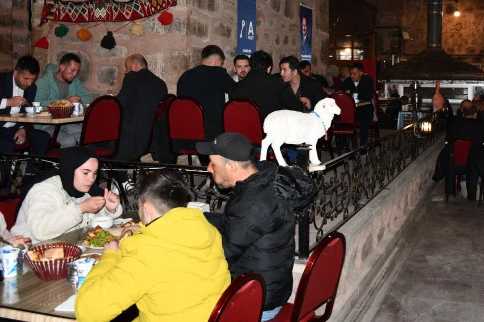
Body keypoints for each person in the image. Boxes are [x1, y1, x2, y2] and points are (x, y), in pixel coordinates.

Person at [75, 170, 230, 322]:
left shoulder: (145, 253)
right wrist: (146, 230)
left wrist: (110, 256)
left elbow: (87, 312)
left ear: (147, 209)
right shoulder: (208, 230)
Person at [197, 133, 317, 321]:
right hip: (271, 289)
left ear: (231, 167)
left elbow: (221, 254)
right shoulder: (263, 181)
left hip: (257, 303)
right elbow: (237, 225)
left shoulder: (252, 204)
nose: (208, 168)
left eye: (213, 163)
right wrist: (198, 217)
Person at [11, 147, 122, 242]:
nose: (92, 179)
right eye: (85, 173)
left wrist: (109, 210)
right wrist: (80, 209)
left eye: (95, 173)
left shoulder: (85, 189)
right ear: (70, 169)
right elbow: (40, 230)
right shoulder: (44, 190)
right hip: (30, 249)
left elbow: (93, 225)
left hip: (67, 246)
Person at [114, 54, 168, 161]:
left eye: (127, 67)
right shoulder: (161, 84)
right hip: (153, 139)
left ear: (136, 66)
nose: (125, 72)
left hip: (131, 139)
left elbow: (118, 105)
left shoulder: (132, 77)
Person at [34, 53, 94, 148]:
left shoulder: (74, 81)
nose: (75, 74)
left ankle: (82, 157)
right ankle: (59, 157)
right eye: (72, 70)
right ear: (62, 67)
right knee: (69, 141)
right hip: (46, 124)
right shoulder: (44, 82)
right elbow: (38, 106)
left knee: (87, 137)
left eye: (77, 71)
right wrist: (64, 102)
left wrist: (78, 100)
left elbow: (88, 98)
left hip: (67, 122)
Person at [177, 45, 235, 141]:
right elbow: (236, 91)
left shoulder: (185, 76)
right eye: (221, 63)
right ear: (217, 61)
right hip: (211, 133)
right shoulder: (218, 72)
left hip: (187, 131)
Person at [0, 55, 50, 162]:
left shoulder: (32, 88)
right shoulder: (1, 80)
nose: (29, 83)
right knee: (6, 144)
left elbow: (26, 113)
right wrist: (7, 102)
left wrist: (23, 128)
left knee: (43, 138)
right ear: (15, 73)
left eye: (33, 79)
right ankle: (6, 173)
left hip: (14, 128)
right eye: (26, 79)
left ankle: (32, 172)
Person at [229, 50, 303, 121]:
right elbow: (297, 107)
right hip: (269, 128)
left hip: (243, 128)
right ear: (269, 68)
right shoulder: (277, 84)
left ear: (250, 67)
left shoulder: (235, 87)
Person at [445, 105, 484, 200]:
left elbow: (448, 139)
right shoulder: (479, 124)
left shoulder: (455, 124)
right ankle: (477, 185)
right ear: (475, 114)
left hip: (456, 163)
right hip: (475, 163)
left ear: (463, 113)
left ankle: (464, 181)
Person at [347, 63, 375, 146]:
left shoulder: (367, 80)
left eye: (354, 74)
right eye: (351, 74)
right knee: (340, 117)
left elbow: (367, 96)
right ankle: (342, 145)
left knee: (364, 119)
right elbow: (342, 91)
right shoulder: (348, 80)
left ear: (361, 73)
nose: (352, 76)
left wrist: (351, 92)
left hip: (365, 109)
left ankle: (363, 146)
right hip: (352, 110)